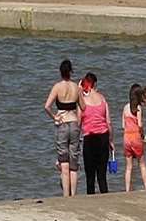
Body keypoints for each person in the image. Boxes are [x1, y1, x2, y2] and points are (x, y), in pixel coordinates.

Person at [45, 59, 82, 198]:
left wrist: (54, 116)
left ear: (60, 72)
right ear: (71, 72)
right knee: (74, 164)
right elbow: (83, 107)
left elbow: (46, 106)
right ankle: (73, 195)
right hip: (74, 124)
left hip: (62, 124)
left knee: (64, 163)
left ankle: (66, 196)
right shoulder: (76, 88)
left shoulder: (57, 87)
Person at [79, 72, 112, 195]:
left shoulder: (83, 102)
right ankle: (106, 199)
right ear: (95, 84)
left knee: (90, 177)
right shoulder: (102, 99)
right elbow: (108, 122)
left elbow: (78, 121)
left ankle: (91, 204)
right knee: (102, 176)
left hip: (89, 139)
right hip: (103, 138)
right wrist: (111, 141)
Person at [122, 84, 146, 193]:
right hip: (135, 136)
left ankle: (127, 190)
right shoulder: (138, 108)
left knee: (129, 167)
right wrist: (142, 135)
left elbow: (123, 125)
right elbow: (140, 124)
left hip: (126, 137)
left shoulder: (125, 107)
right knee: (142, 163)